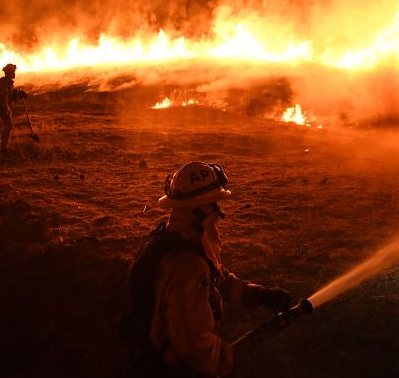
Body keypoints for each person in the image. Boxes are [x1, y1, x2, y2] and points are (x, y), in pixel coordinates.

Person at [121, 161, 292, 377]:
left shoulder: (175, 238)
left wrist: (257, 294)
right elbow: (194, 347)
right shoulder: (189, 267)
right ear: (200, 210)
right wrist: (226, 358)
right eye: (215, 205)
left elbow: (214, 281)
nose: (218, 214)